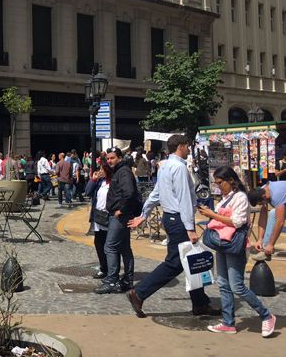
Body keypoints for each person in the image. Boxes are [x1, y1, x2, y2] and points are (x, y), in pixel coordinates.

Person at [126, 134, 220, 317]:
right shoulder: (179, 168)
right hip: (179, 220)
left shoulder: (165, 166)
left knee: (190, 262)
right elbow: (184, 198)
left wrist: (144, 214)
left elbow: (156, 193)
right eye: (187, 146)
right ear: (181, 146)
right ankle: (139, 292)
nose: (189, 149)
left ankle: (200, 303)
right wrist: (190, 228)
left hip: (170, 218)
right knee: (176, 263)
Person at [196, 166, 276, 337]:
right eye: (216, 183)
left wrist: (212, 214)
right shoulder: (225, 197)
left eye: (220, 183)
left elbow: (237, 222)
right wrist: (209, 213)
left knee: (237, 286)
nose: (218, 186)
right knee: (223, 284)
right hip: (222, 242)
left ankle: (266, 315)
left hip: (234, 245)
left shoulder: (240, 197)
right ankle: (228, 322)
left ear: (230, 180)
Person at [95, 148, 139, 294]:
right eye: (108, 159)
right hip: (120, 215)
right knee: (124, 247)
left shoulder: (123, 171)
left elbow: (129, 193)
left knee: (110, 247)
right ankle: (127, 279)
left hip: (120, 216)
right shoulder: (120, 171)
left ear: (119, 157)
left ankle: (111, 280)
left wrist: (122, 210)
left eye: (112, 158)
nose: (109, 161)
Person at [84, 159, 111, 279]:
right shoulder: (99, 181)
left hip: (109, 216)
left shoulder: (113, 181)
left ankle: (111, 270)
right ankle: (103, 268)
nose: (100, 171)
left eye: (102, 169)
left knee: (109, 244)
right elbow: (88, 192)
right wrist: (93, 179)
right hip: (98, 216)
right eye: (99, 169)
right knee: (98, 243)